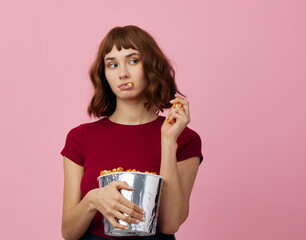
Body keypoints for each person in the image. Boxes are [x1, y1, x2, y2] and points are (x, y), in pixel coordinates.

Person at [60, 25, 204, 240]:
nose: (123, 73)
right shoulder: (80, 137)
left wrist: (168, 141)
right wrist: (92, 200)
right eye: (112, 64)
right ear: (104, 74)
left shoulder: (184, 138)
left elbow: (170, 223)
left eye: (133, 61)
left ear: (152, 66)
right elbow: (68, 232)